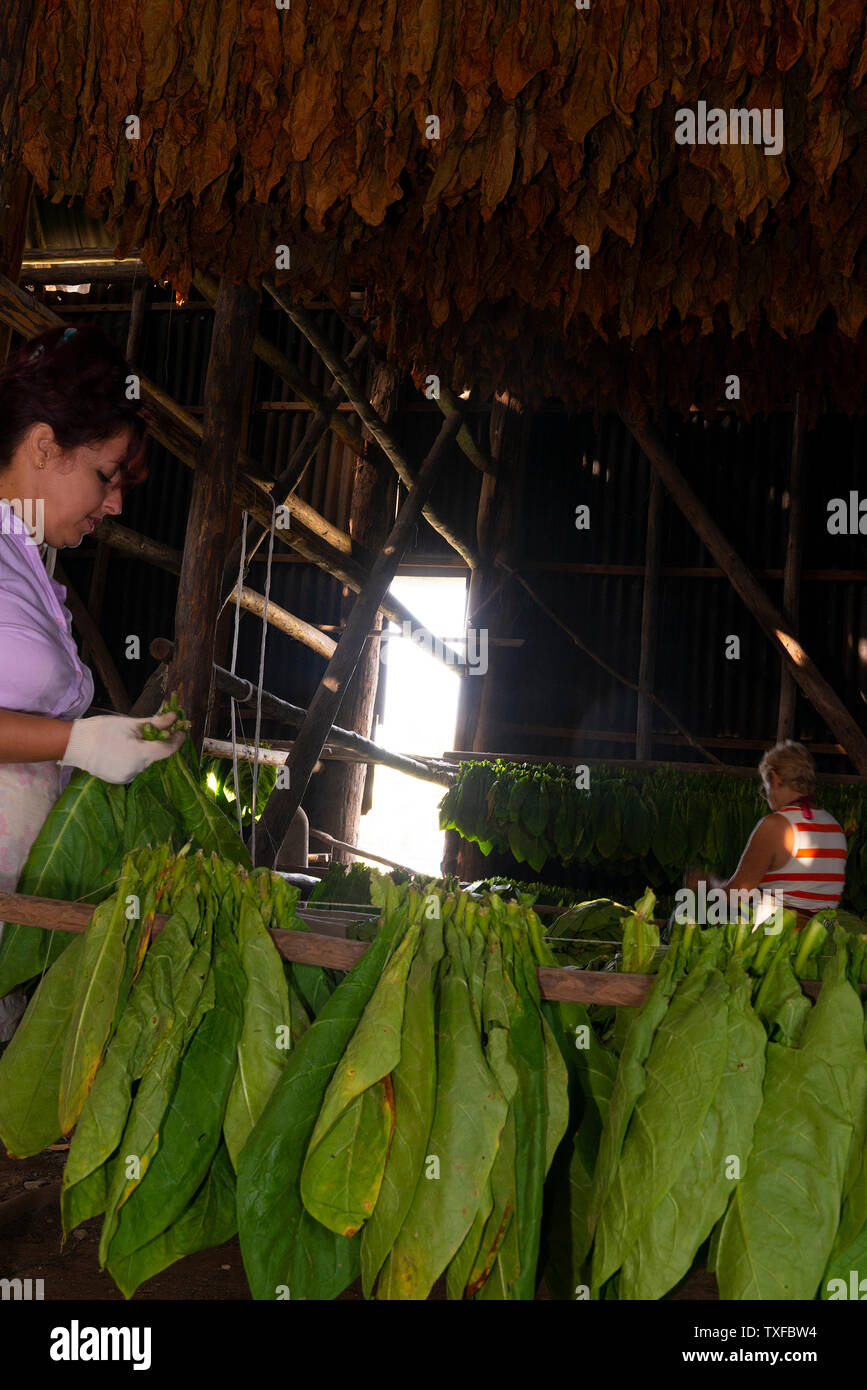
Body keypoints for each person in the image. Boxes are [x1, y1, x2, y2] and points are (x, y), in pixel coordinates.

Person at [0, 324, 185, 1040]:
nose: (113, 506)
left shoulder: (33, 563)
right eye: (106, 476)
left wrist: (106, 739)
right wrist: (75, 742)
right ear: (46, 447)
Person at [683, 740, 847, 928]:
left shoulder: (776, 825)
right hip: (820, 941)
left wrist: (707, 881)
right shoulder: (834, 826)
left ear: (774, 778)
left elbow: (737, 895)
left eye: (765, 785)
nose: (767, 794)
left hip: (776, 944)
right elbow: (801, 894)